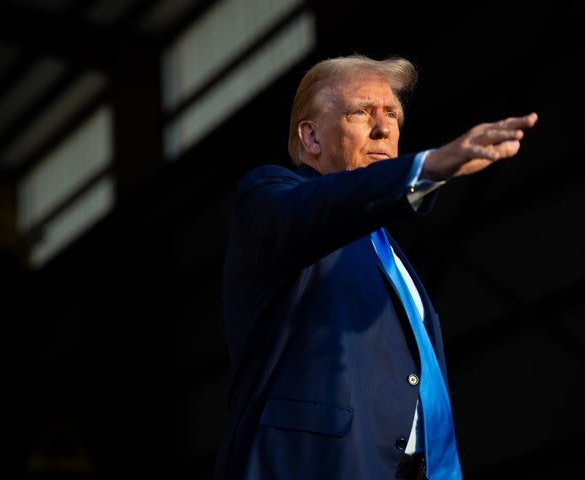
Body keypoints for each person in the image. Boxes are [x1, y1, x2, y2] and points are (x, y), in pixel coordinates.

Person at [213, 53, 538, 480]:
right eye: (361, 112)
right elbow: (322, 207)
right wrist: (427, 166)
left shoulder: (387, 251)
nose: (384, 128)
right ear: (311, 138)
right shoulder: (273, 197)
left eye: (392, 115)